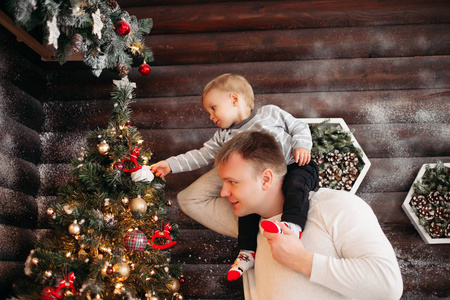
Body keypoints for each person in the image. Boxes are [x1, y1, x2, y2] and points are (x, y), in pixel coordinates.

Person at [180, 131, 403, 299]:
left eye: (233, 182)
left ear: (266, 179)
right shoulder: (249, 227)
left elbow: (388, 285)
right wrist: (233, 158)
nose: (223, 192)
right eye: (223, 181)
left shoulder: (334, 206)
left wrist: (301, 260)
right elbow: (190, 199)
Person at [151, 73, 318, 280]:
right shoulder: (224, 136)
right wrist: (170, 164)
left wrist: (302, 146)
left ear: (234, 99)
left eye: (213, 108)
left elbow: (298, 126)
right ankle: (247, 252)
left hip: (294, 165)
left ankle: (292, 226)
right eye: (208, 112)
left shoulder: (270, 113)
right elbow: (201, 155)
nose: (211, 116)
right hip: (257, 186)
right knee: (246, 210)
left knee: (296, 186)